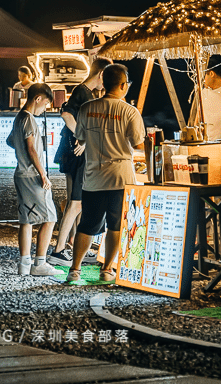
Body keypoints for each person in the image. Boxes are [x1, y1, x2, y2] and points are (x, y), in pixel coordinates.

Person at [66, 64, 145, 285]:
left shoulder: (86, 109)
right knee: (116, 225)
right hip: (120, 176)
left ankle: (75, 269)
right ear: (123, 85)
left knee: (87, 224)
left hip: (93, 176)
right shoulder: (130, 111)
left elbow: (80, 138)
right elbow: (138, 143)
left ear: (104, 83)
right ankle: (107, 269)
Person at [49, 57, 110, 267]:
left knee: (75, 203)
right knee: (76, 203)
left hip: (72, 154)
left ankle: (72, 246)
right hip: (77, 155)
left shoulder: (86, 93)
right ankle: (58, 250)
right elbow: (66, 114)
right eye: (107, 77)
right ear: (101, 74)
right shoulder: (82, 91)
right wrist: (84, 136)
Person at [10, 82, 57, 277]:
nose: (44, 108)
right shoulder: (29, 119)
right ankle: (40, 262)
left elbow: (11, 141)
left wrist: (22, 151)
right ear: (38, 99)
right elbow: (31, 148)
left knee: (26, 219)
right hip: (32, 175)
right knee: (50, 217)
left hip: (20, 173)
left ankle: (24, 264)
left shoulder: (19, 117)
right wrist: (43, 174)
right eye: (45, 104)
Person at [188, 65, 221, 141]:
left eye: (204, 76)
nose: (202, 81)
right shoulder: (204, 93)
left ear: (212, 74)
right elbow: (198, 117)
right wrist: (196, 129)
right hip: (208, 141)